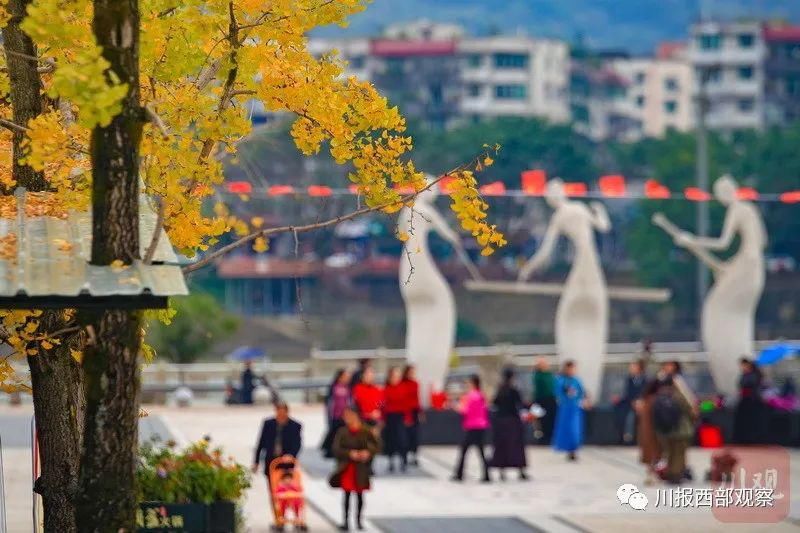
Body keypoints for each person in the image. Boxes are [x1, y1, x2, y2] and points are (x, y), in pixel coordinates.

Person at [329, 407, 381, 531]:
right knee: (346, 494)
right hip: (347, 466)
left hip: (361, 467)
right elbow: (336, 449)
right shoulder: (342, 432)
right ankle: (346, 521)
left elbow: (376, 446)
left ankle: (358, 520)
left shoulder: (365, 431)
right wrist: (349, 454)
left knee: (359, 494)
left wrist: (367, 453)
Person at [652, 376, 695, 484]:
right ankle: (675, 475)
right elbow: (689, 409)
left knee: (669, 453)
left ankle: (669, 473)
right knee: (679, 454)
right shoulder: (678, 396)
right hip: (681, 430)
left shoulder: (658, 397)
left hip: (665, 432)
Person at [489, 367, 529, 481]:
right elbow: (520, 404)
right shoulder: (514, 391)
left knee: (502, 447)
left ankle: (502, 471)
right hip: (513, 422)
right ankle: (521, 471)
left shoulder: (500, 390)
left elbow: (494, 403)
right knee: (516, 447)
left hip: (501, 422)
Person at [451, 374, 490, 483]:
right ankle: (486, 474)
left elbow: (465, 410)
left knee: (464, 450)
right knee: (481, 452)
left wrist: (455, 406)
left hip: (472, 427)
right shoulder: (481, 395)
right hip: (481, 426)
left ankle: (459, 474)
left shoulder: (470, 396)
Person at [252, 403, 303, 475]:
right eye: (279, 412)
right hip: (271, 460)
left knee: (285, 484)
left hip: (286, 461)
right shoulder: (268, 424)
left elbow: (297, 443)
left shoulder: (295, 426)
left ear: (287, 412)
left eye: (283, 412)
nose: (281, 414)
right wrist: (256, 461)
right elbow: (261, 442)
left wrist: (291, 455)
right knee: (272, 483)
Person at [553, 360, 587, 461]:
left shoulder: (577, 380)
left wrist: (583, 400)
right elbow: (558, 392)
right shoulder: (561, 380)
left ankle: (574, 448)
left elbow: (582, 392)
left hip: (575, 408)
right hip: (565, 408)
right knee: (566, 429)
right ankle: (567, 448)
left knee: (575, 429)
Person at [634, 378, 662, 485]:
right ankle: (652, 476)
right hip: (654, 433)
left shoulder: (644, 401)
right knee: (655, 455)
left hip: (645, 434)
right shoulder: (654, 401)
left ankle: (650, 475)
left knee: (649, 457)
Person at [382, 367, 409, 472]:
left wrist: (407, 417)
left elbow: (406, 404)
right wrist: (379, 409)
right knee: (391, 440)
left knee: (403, 440)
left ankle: (403, 461)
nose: (396, 379)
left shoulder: (403, 388)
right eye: (394, 376)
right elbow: (382, 403)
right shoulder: (386, 389)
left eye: (398, 376)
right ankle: (391, 462)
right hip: (390, 417)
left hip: (400, 417)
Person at [614, 360, 646, 443]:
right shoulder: (628, 380)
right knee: (621, 414)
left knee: (639, 416)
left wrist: (638, 401)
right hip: (628, 402)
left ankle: (636, 438)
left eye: (633, 367)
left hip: (641, 403)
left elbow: (645, 392)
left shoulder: (645, 380)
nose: (631, 369)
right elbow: (626, 393)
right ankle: (621, 437)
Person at [733, 357, 764, 444]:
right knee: (743, 421)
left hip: (752, 400)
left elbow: (750, 386)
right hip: (745, 400)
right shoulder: (745, 375)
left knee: (751, 421)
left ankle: (751, 439)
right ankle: (744, 439)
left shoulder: (753, 375)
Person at [321, 369, 352, 458]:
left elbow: (350, 402)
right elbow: (329, 403)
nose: (347, 379)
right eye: (345, 377)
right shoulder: (334, 387)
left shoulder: (348, 388)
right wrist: (330, 416)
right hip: (335, 416)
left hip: (345, 416)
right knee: (334, 433)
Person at [532, 357, 557, 444]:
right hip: (541, 400)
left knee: (551, 419)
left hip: (551, 400)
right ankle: (544, 438)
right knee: (542, 420)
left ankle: (550, 437)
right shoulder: (538, 375)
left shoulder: (550, 375)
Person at [401, 365, 423, 466]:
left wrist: (420, 412)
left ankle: (414, 456)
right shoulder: (402, 384)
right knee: (405, 437)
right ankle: (404, 457)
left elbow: (417, 398)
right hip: (404, 412)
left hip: (414, 412)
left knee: (415, 436)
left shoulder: (415, 384)